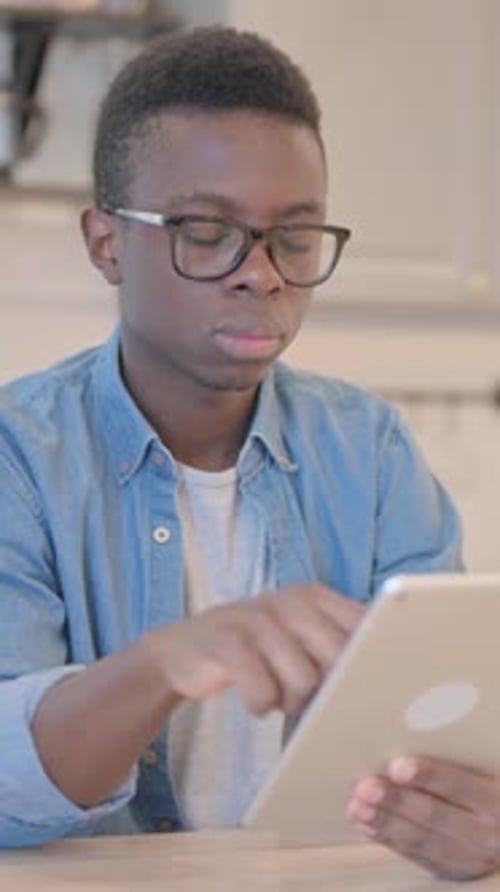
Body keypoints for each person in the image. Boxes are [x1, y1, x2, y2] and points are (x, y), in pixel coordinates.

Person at [0, 24, 494, 881]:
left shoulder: (369, 449)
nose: (259, 273)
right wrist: (163, 662)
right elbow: (7, 785)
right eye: (206, 230)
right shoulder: (19, 455)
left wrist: (470, 817)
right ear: (106, 243)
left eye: (293, 237)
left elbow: (440, 729)